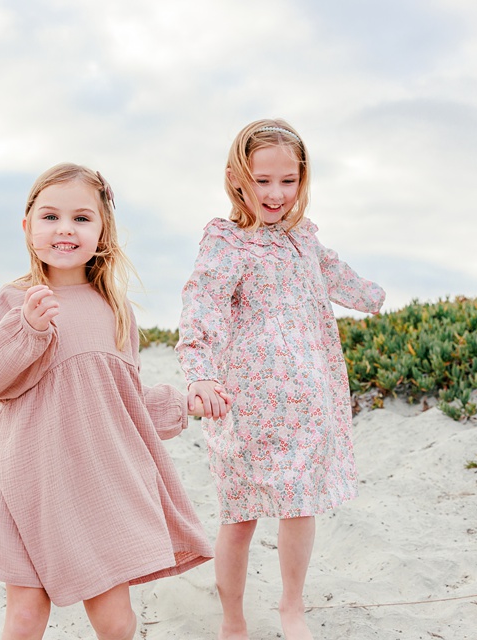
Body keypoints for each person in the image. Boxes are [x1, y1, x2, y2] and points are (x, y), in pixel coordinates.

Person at [0, 162, 217, 640]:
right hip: (30, 484)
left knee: (117, 621)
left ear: (103, 231)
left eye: (82, 218)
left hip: (95, 484)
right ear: (27, 226)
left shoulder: (115, 309)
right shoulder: (14, 300)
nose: (65, 229)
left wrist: (186, 403)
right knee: (23, 617)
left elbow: (124, 400)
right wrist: (29, 329)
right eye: (50, 216)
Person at [176, 119, 385, 640]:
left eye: (287, 181)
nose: (275, 193)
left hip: (309, 399)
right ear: (236, 177)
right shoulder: (228, 241)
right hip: (245, 401)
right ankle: (233, 620)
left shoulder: (304, 240)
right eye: (262, 179)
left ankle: (292, 608)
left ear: (302, 179)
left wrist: (372, 295)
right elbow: (202, 305)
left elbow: (337, 276)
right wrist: (200, 373)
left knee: (298, 507)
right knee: (239, 516)